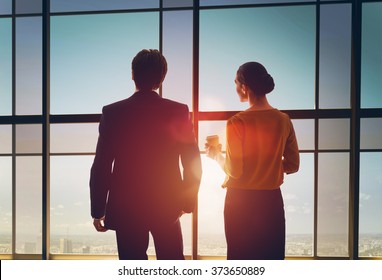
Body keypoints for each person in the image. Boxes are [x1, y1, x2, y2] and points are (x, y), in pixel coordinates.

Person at [90, 49, 202, 260]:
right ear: (161, 79)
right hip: (167, 204)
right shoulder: (178, 111)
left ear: (133, 74)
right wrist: (187, 203)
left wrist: (98, 209)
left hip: (126, 207)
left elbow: (102, 165)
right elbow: (192, 161)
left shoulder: (113, 112)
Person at [206, 62, 299, 260]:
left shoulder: (236, 122)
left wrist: (216, 156)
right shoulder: (284, 120)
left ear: (244, 87)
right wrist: (269, 166)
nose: (235, 88)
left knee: (241, 261)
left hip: (240, 202)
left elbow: (235, 170)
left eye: (236, 83)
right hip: (271, 201)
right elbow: (293, 165)